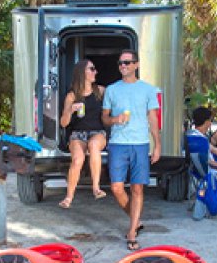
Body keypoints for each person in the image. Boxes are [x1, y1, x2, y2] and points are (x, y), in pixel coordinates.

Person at [102, 49, 160, 251]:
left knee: (137, 188)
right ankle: (136, 220)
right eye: (120, 63)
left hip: (140, 143)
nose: (123, 66)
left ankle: (132, 231)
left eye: (127, 63)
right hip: (118, 142)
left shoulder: (148, 89)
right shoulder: (111, 90)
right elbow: (104, 118)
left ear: (136, 65)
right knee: (117, 187)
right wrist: (115, 120)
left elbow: (153, 118)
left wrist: (157, 145)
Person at [57, 59, 107, 208]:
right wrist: (70, 110)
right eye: (91, 69)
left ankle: (96, 188)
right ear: (82, 73)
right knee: (78, 159)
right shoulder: (72, 96)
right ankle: (68, 197)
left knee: (93, 146)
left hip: (97, 132)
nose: (95, 72)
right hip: (78, 134)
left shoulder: (101, 91)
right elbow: (64, 123)